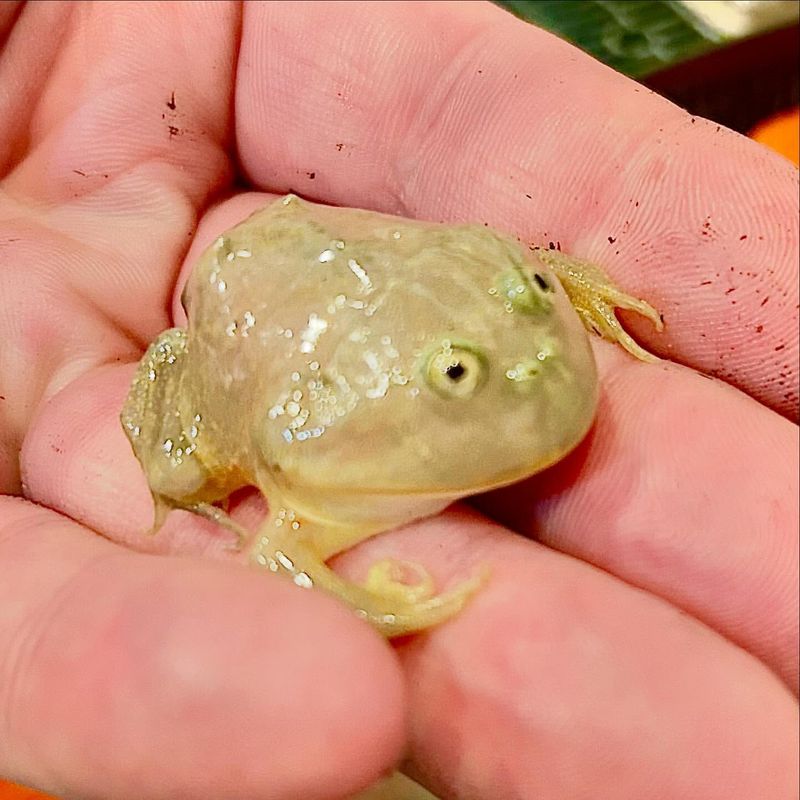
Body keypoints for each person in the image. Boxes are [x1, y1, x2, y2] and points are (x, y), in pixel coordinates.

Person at [0, 3, 797, 799]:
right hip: (253, 310)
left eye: (540, 293)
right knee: (185, 471)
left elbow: (500, 257)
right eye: (457, 377)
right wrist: (368, 605)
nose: (545, 370)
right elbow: (278, 547)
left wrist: (560, 286)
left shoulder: (495, 283)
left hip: (320, 261)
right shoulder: (322, 436)